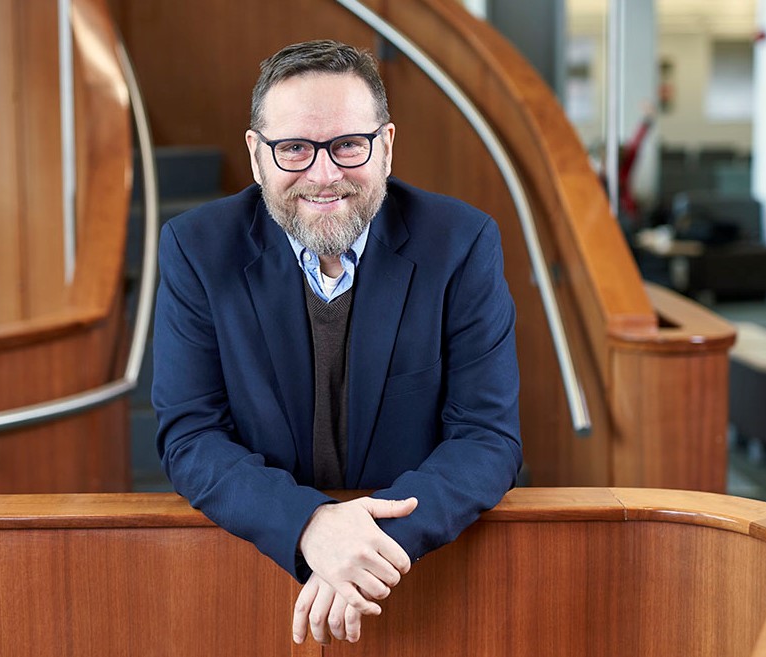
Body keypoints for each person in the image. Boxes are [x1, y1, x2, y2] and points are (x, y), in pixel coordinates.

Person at [151, 40, 522, 646]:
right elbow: (190, 434)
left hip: (423, 585)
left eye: (349, 144)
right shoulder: (196, 248)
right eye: (294, 148)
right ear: (255, 155)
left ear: (387, 146)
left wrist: (365, 546)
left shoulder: (461, 243)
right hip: (255, 576)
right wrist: (308, 526)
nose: (325, 175)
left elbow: (487, 437)